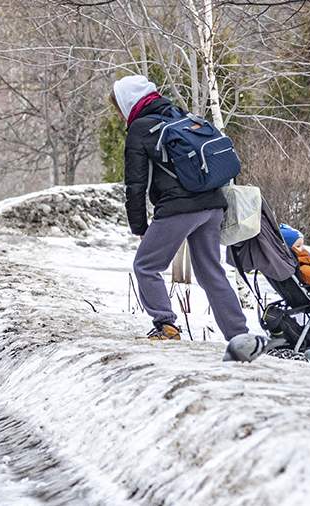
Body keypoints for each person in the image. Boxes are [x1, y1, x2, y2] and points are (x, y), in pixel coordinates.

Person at [113, 75, 248, 342]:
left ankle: (166, 325)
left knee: (146, 265)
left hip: (180, 208)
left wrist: (139, 227)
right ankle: (239, 334)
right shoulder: (183, 116)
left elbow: (136, 185)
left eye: (118, 108)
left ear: (128, 102)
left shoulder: (141, 128)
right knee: (211, 271)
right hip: (212, 205)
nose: (119, 115)